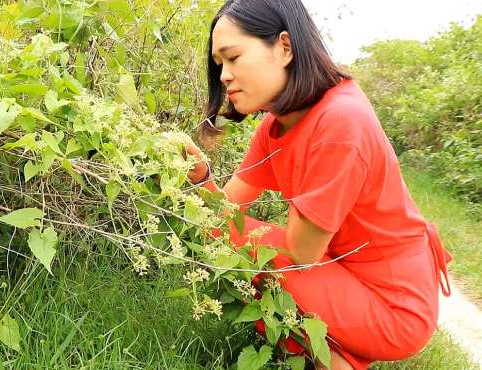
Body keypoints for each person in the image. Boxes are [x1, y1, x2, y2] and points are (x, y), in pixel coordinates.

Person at [182, 0, 453, 369]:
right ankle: (335, 354)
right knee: (232, 237)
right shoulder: (276, 125)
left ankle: (335, 353)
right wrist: (201, 178)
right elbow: (224, 214)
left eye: (233, 57)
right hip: (351, 276)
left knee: (253, 248)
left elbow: (301, 253)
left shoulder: (340, 122)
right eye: (220, 65)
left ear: (284, 47)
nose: (225, 75)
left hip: (396, 305)